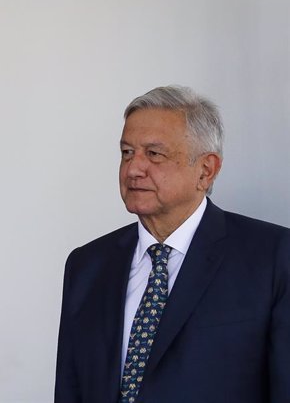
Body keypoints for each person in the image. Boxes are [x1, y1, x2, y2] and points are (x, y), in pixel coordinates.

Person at [54, 85, 290, 403]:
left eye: (154, 154)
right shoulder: (87, 265)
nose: (134, 169)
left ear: (206, 170)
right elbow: (71, 388)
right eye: (127, 153)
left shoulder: (273, 257)